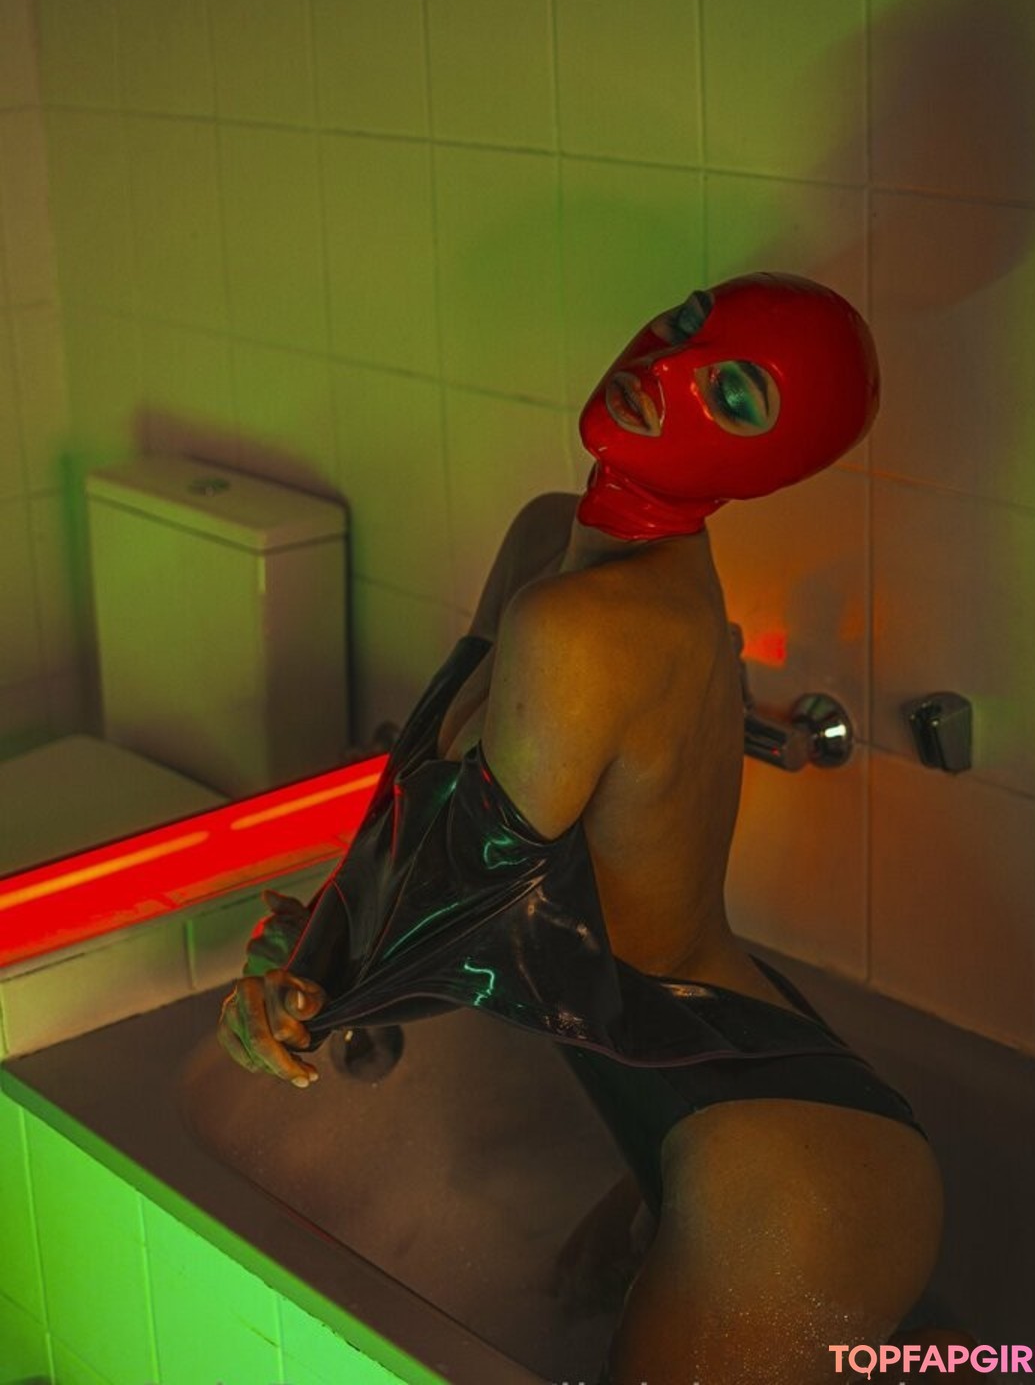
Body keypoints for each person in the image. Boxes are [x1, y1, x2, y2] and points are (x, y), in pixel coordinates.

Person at [218, 275, 950, 1384]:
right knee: (562, 1311)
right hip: (684, 1074)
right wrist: (318, 956)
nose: (665, 370)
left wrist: (304, 1002)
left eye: (733, 396)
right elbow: (413, 819)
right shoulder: (546, 541)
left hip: (786, 1171)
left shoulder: (585, 627)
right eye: (688, 323)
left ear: (759, 475)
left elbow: (467, 916)